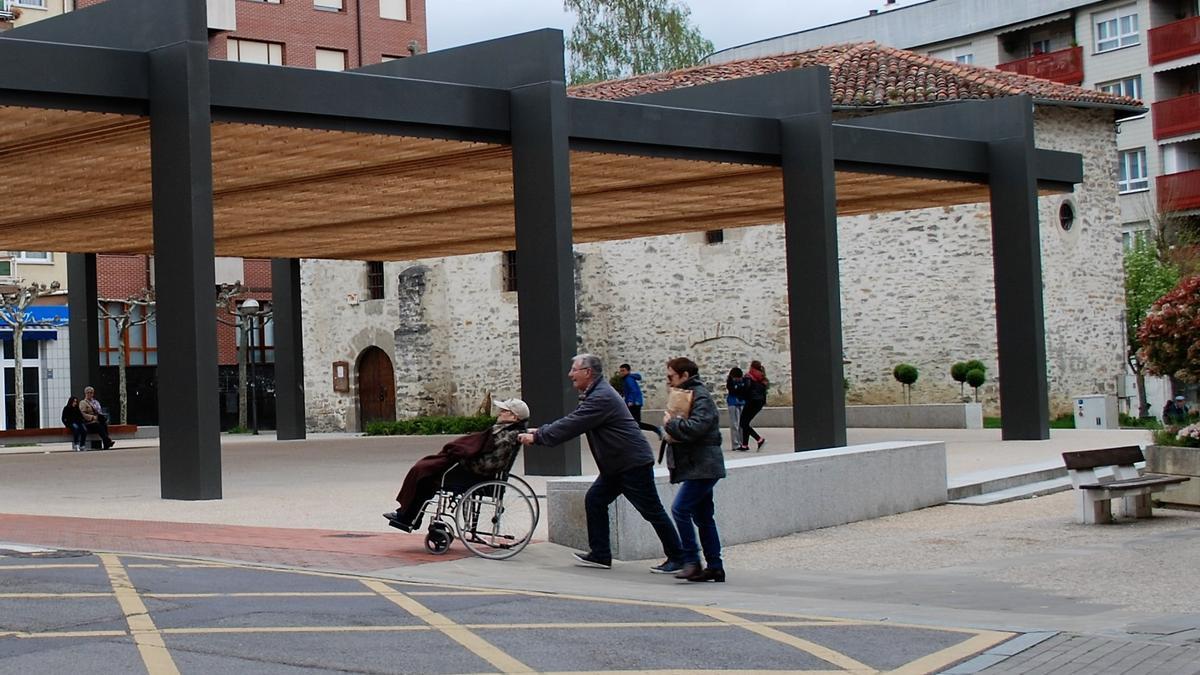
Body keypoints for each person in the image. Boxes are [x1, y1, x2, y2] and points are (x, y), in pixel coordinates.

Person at [518, 353, 685, 573]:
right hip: (617, 465)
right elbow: (574, 420)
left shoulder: (601, 397)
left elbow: (573, 424)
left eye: (574, 370)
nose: (570, 374)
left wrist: (538, 437)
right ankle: (600, 554)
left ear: (588, 372)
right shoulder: (597, 393)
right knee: (595, 500)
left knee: (651, 511)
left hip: (630, 463)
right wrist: (540, 431)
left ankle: (679, 557)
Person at [383, 398, 530, 532]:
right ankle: (408, 516)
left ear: (514, 417)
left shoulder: (506, 437)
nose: (500, 413)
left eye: (504, 411)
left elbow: (489, 465)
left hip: (476, 476)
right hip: (472, 470)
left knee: (426, 474)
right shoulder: (503, 430)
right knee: (424, 468)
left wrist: (463, 458)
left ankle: (407, 517)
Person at [661, 357, 727, 582]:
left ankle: (692, 561)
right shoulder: (690, 394)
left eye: (671, 376)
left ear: (685, 376)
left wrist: (670, 423)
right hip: (699, 465)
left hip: (703, 465)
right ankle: (715, 566)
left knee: (680, 509)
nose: (668, 381)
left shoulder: (700, 396)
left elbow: (698, 427)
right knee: (703, 516)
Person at [619, 363, 663, 438]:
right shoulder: (627, 379)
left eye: (623, 370)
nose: (621, 372)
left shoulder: (628, 379)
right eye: (620, 371)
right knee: (634, 423)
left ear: (628, 371)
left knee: (635, 423)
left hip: (634, 404)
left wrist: (630, 401)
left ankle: (656, 429)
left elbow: (633, 390)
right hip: (635, 403)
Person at [740, 360, 769, 451]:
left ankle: (759, 439)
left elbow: (746, 388)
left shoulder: (749, 376)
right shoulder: (762, 377)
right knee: (746, 422)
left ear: (751, 367)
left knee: (743, 423)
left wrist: (741, 394)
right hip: (759, 402)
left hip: (751, 401)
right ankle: (745, 445)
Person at [725, 367, 747, 451]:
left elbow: (744, 390)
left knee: (742, 424)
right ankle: (735, 444)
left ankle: (742, 442)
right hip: (733, 403)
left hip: (742, 403)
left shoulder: (744, 381)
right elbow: (733, 391)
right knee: (734, 424)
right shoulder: (730, 382)